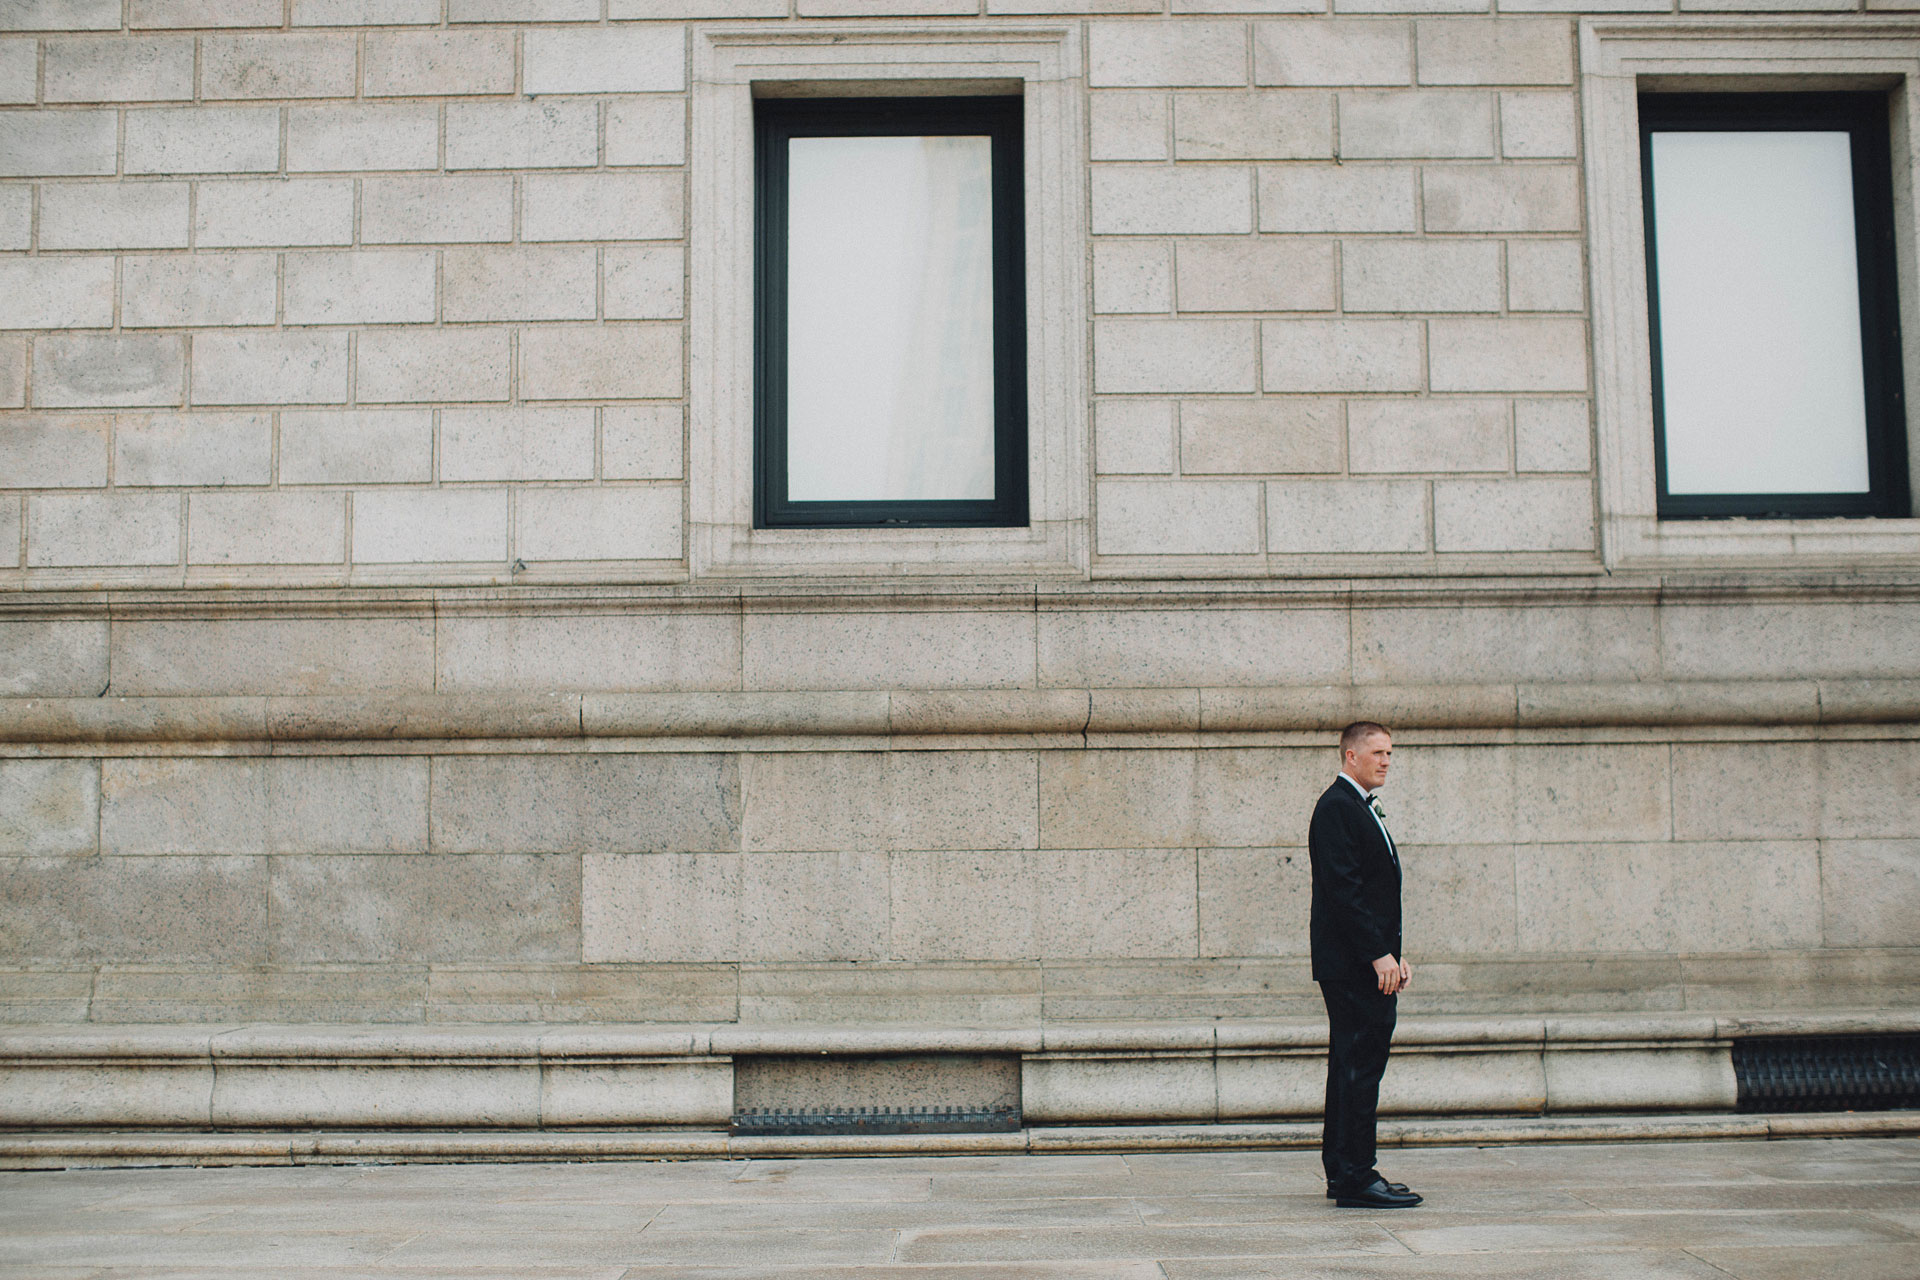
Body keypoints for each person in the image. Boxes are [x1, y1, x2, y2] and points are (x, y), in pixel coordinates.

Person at [1309, 721, 1422, 1209]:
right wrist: (1379, 955)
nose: (1386, 761)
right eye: (1377, 752)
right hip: (1354, 966)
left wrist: (1393, 954)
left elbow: (1372, 894)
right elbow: (1345, 892)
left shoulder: (1355, 806)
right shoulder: (1337, 807)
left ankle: (1348, 1171)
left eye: (1390, 753)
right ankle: (1355, 1175)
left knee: (1354, 1068)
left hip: (1366, 962)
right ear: (1350, 757)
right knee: (1358, 1069)